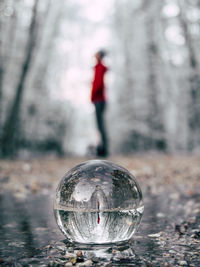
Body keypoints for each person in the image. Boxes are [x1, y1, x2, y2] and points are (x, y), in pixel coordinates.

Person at [91, 50, 109, 157]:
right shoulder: (99, 67)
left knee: (100, 125)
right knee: (100, 125)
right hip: (100, 99)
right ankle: (102, 148)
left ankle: (103, 149)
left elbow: (98, 84)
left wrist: (93, 96)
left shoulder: (99, 67)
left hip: (98, 99)